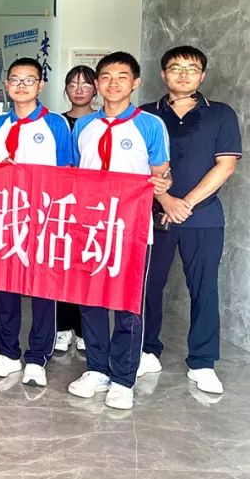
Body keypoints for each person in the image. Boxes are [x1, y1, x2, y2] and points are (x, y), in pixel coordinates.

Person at [68, 51, 170, 410]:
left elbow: (161, 174)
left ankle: (124, 378)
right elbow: (74, 174)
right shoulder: (83, 126)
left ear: (136, 83)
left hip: (132, 230)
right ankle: (97, 369)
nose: (113, 83)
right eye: (106, 77)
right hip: (89, 227)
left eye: (122, 77)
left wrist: (163, 185)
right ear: (98, 84)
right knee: (91, 301)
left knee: (128, 305)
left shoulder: (150, 125)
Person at [141, 46, 240, 395]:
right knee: (148, 286)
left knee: (204, 289)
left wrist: (185, 203)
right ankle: (147, 350)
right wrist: (166, 200)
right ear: (163, 74)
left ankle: (202, 362)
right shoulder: (146, 115)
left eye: (192, 68)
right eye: (175, 68)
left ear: (202, 75)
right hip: (153, 215)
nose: (183, 74)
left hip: (204, 217)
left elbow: (226, 165)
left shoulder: (221, 114)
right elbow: (138, 165)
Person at [0, 58, 74, 388]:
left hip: (44, 219)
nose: (21, 86)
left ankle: (37, 357)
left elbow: (67, 173)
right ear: (6, 85)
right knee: (6, 290)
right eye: (15, 80)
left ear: (40, 85)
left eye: (29, 80)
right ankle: (8, 353)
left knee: (43, 291)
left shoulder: (56, 124)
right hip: (6, 218)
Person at [56, 65, 99, 352]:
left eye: (85, 84)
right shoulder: (57, 122)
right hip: (60, 207)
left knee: (87, 269)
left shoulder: (102, 122)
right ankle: (62, 328)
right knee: (61, 267)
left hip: (92, 208)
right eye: (73, 84)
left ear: (95, 89)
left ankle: (85, 330)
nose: (79, 90)